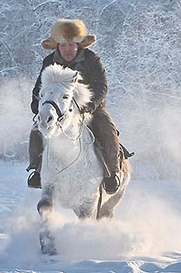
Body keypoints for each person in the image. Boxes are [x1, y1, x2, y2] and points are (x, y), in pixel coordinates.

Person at [27, 18, 121, 193]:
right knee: (36, 129)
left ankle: (111, 173)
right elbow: (39, 87)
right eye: (63, 45)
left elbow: (102, 86)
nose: (67, 49)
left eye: (71, 45)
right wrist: (37, 106)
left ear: (78, 45)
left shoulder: (92, 59)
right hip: (59, 111)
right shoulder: (49, 62)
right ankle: (37, 170)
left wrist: (91, 106)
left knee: (107, 130)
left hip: (91, 109)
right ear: (57, 46)